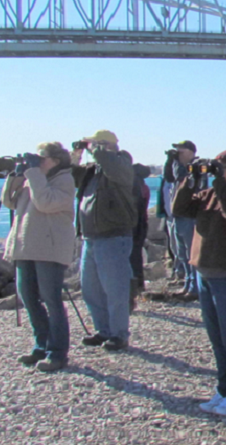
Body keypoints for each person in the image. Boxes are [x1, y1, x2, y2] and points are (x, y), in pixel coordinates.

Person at [173, 150, 226, 417]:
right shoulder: (208, 194)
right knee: (216, 337)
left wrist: (221, 182)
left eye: (223, 168)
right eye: (216, 168)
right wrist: (190, 181)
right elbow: (179, 209)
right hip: (204, 272)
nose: (217, 172)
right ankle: (224, 388)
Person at [1, 142, 75, 372]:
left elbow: (45, 203)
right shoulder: (32, 179)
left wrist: (33, 173)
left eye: (41, 157)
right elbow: (8, 202)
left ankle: (57, 352)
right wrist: (15, 175)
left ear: (55, 160)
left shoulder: (65, 180)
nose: (37, 161)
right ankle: (40, 345)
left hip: (49, 250)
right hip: (26, 247)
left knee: (51, 300)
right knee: (29, 298)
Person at [72, 130, 137, 351]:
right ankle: (103, 330)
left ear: (106, 145)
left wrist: (96, 149)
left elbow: (115, 169)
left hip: (113, 236)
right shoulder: (93, 170)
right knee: (90, 289)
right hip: (90, 237)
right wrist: (76, 154)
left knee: (115, 289)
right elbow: (71, 175)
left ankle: (119, 334)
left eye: (97, 145)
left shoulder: (122, 162)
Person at [166, 140, 202, 300]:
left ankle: (195, 287)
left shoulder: (196, 166)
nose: (178, 152)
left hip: (190, 216)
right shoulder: (178, 165)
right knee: (181, 253)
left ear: (191, 151)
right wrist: (170, 160)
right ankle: (187, 284)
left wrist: (177, 163)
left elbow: (181, 177)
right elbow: (169, 177)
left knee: (191, 254)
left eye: (181, 149)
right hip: (178, 216)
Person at [130, 163, 151, 311]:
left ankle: (134, 288)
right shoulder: (144, 187)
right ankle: (138, 285)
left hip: (136, 224)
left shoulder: (137, 188)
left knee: (132, 257)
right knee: (136, 256)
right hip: (142, 223)